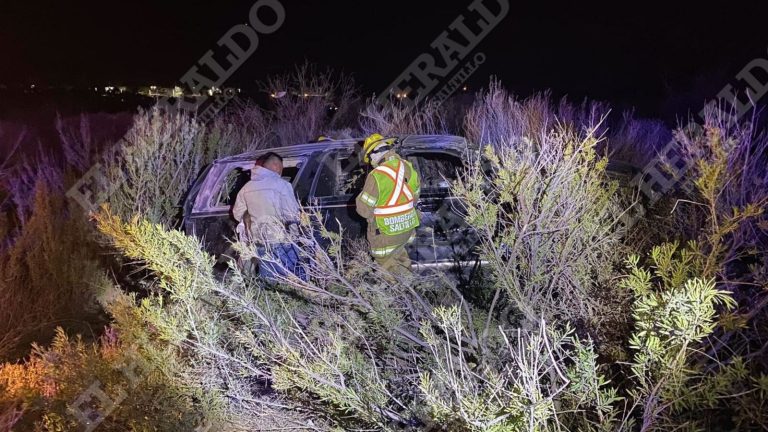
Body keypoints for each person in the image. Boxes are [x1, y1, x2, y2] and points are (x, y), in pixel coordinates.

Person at [232, 152, 306, 281]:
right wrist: (295, 238)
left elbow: (238, 213)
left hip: (260, 242)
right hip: (282, 241)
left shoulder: (246, 188)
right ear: (276, 166)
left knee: (269, 280)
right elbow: (292, 215)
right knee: (292, 280)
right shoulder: (282, 185)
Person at [355, 133, 421, 274]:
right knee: (403, 264)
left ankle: (396, 295)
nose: (370, 160)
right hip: (407, 229)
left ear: (376, 153)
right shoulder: (409, 167)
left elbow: (363, 210)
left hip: (386, 234)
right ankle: (411, 292)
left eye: (370, 156)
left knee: (388, 274)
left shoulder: (376, 175)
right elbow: (415, 197)